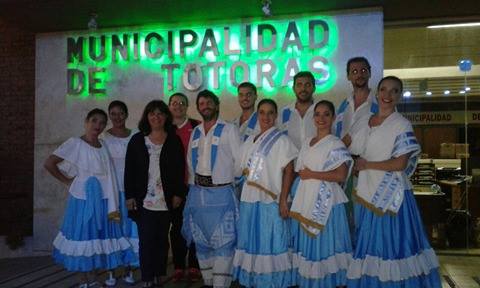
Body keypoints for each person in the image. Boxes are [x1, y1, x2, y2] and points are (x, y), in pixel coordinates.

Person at [346, 76, 441, 287]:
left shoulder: (401, 124)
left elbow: (400, 163)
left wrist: (366, 165)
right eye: (384, 90)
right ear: (377, 92)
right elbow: (346, 145)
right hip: (367, 194)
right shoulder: (364, 121)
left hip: (392, 196)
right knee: (371, 244)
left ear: (399, 96)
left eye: (394, 91)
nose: (387, 95)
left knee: (392, 245)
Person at [44, 108, 134, 288]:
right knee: (83, 237)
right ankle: (84, 280)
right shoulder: (75, 143)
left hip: (104, 200)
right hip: (83, 201)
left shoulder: (103, 145)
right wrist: (67, 181)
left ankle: (93, 278)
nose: (98, 125)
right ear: (86, 121)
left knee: (97, 237)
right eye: (94, 121)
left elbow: (108, 174)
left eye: (102, 122)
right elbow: (49, 163)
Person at [232, 99, 298, 288]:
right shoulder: (250, 140)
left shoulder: (282, 140)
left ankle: (273, 281)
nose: (266, 117)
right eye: (262, 112)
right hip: (249, 199)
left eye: (270, 113)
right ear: (257, 115)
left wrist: (284, 200)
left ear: (276, 116)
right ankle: (254, 279)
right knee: (252, 239)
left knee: (272, 239)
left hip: (271, 200)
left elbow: (289, 171)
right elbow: (239, 170)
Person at [289, 100, 353, 288]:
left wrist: (312, 175)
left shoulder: (335, 143)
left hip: (327, 204)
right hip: (307, 200)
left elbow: (340, 175)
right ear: (313, 117)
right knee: (310, 247)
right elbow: (299, 171)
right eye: (317, 114)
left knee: (325, 246)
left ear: (333, 118)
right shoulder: (308, 142)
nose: (321, 118)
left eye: (326, 114)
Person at [124, 100, 187, 288]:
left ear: (166, 117)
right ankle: (147, 278)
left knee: (162, 241)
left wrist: (178, 194)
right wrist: (129, 196)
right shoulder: (137, 140)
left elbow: (179, 169)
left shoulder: (173, 139)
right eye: (152, 113)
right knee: (146, 241)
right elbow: (129, 170)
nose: (156, 117)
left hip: (166, 200)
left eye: (160, 113)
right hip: (145, 200)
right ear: (147, 116)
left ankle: (159, 274)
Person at [182, 90, 241, 288]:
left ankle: (220, 284)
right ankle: (208, 282)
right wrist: (193, 186)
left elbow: (239, 161)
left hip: (222, 195)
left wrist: (229, 182)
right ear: (198, 107)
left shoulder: (229, 129)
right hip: (199, 195)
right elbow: (190, 161)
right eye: (201, 103)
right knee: (202, 241)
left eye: (209, 102)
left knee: (224, 242)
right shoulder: (196, 131)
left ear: (216, 104)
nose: (205, 105)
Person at [102, 100, 139, 286]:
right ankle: (110, 272)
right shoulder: (103, 138)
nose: (117, 117)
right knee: (113, 231)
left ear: (126, 114)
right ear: (110, 116)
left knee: (131, 230)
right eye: (113, 114)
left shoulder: (136, 136)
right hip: (112, 193)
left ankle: (128, 269)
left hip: (131, 191)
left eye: (120, 113)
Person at [168, 92, 201, 282]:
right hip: (175, 188)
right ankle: (179, 265)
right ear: (169, 106)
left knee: (196, 225)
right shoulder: (165, 128)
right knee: (177, 226)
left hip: (196, 186)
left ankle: (195, 265)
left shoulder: (196, 126)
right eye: (174, 103)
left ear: (187, 106)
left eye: (182, 103)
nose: (178, 106)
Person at [278, 71, 317, 150]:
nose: (303, 89)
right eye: (299, 85)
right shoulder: (283, 113)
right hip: (292, 161)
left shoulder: (322, 112)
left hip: (317, 161)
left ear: (314, 88)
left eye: (307, 85)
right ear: (293, 88)